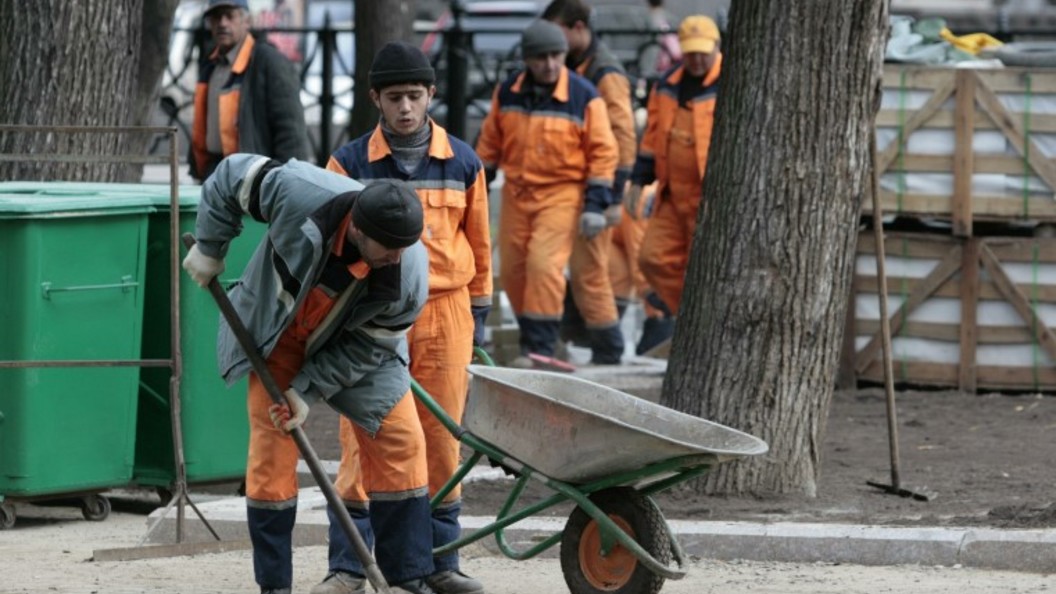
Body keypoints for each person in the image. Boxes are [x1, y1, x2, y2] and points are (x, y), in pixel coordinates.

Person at [181, 154, 436, 594]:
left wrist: (308, 390)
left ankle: (407, 579)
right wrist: (210, 246)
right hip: (278, 333)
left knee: (402, 441)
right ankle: (275, 585)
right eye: (390, 248)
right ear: (358, 227)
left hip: (354, 346)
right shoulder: (298, 191)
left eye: (404, 247)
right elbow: (229, 176)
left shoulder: (408, 274)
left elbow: (370, 346)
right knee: (272, 452)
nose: (399, 256)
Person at [312, 41, 493, 594]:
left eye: (415, 96)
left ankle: (439, 563)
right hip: (373, 316)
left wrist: (478, 316)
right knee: (361, 437)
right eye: (395, 98)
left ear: (431, 95)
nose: (406, 108)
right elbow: (330, 245)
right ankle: (348, 565)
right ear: (375, 100)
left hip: (445, 314)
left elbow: (480, 247)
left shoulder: (463, 162)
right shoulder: (348, 164)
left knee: (440, 440)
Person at [476, 20, 618, 367]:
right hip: (517, 192)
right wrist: (478, 182)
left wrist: (596, 204)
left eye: (556, 55)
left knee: (543, 265)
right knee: (512, 270)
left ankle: (539, 347)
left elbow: (603, 151)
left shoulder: (584, 96)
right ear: (527, 59)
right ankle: (534, 338)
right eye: (541, 58)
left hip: (562, 193)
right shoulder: (508, 91)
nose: (550, 64)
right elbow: (491, 142)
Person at [542, 0, 636, 365]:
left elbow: (622, 135)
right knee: (582, 269)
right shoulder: (577, 65)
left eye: (558, 31)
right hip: (581, 187)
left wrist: (612, 196)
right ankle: (586, 336)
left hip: (598, 189)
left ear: (578, 28)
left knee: (592, 271)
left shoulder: (605, 72)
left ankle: (607, 346)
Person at [627, 15, 722, 317]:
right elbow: (653, 136)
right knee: (652, 258)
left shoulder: (730, 85)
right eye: (690, 52)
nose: (696, 59)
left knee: (706, 270)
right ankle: (690, 319)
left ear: (716, 47)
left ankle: (704, 320)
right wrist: (640, 179)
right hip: (672, 195)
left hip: (709, 199)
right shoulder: (667, 85)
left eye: (702, 52)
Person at [188, 0, 309, 182]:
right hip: (214, 171)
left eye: (230, 16)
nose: (222, 23)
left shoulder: (269, 62)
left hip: (256, 178)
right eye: (216, 17)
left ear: (247, 21)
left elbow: (291, 132)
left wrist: (288, 183)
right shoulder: (210, 65)